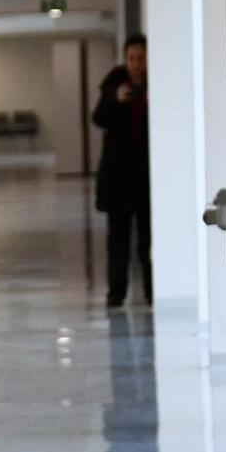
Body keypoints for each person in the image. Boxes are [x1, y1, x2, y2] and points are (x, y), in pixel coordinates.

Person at [93, 33, 151, 308]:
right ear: (125, 59)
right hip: (118, 178)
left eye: (141, 58)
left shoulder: (157, 83)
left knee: (148, 241)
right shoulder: (114, 84)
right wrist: (116, 100)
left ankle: (153, 290)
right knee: (118, 241)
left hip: (147, 178)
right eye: (131, 58)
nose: (136, 64)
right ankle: (116, 293)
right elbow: (98, 118)